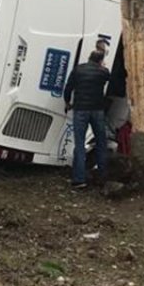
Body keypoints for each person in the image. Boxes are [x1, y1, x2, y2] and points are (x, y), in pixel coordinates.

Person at [64, 49, 111, 189]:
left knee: (79, 144)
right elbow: (109, 78)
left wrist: (67, 102)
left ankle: (79, 179)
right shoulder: (103, 72)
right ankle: (102, 177)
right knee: (101, 142)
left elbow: (68, 88)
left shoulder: (78, 70)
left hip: (80, 110)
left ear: (89, 58)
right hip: (97, 110)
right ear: (100, 60)